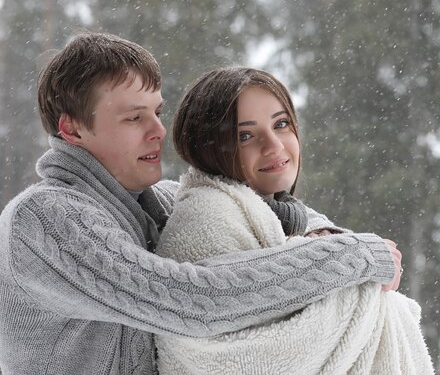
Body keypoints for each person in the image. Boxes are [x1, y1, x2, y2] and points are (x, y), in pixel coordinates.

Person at [0, 32, 403, 375]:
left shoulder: (156, 200)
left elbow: (260, 203)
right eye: (133, 118)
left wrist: (318, 230)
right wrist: (352, 256)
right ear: (72, 129)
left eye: (157, 112)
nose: (158, 130)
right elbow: (196, 302)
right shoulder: (44, 221)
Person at [155, 67, 434, 375]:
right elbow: (234, 359)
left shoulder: (288, 217)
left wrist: (321, 252)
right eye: (245, 135)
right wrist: (355, 279)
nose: (273, 145)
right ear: (208, 148)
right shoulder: (205, 219)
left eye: (281, 124)